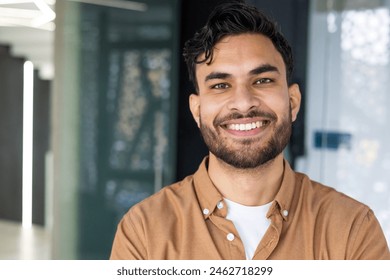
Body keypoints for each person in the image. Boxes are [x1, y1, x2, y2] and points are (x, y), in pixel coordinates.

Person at [110, 1, 390, 260]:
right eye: (220, 85)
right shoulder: (144, 232)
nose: (243, 103)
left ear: (293, 102)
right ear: (197, 111)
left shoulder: (353, 230)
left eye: (263, 80)